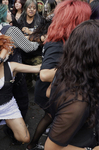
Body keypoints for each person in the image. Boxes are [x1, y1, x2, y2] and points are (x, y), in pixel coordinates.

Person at [26, 0, 92, 150]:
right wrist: (77, 66)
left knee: (51, 118)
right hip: (49, 91)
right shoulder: (58, 43)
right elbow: (45, 74)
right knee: (55, 119)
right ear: (76, 20)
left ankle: (34, 144)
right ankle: (39, 144)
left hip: (55, 89)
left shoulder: (66, 38)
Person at [45, 19, 99, 150]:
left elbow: (48, 92)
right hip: (81, 142)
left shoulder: (66, 69)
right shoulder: (77, 103)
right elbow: (50, 148)